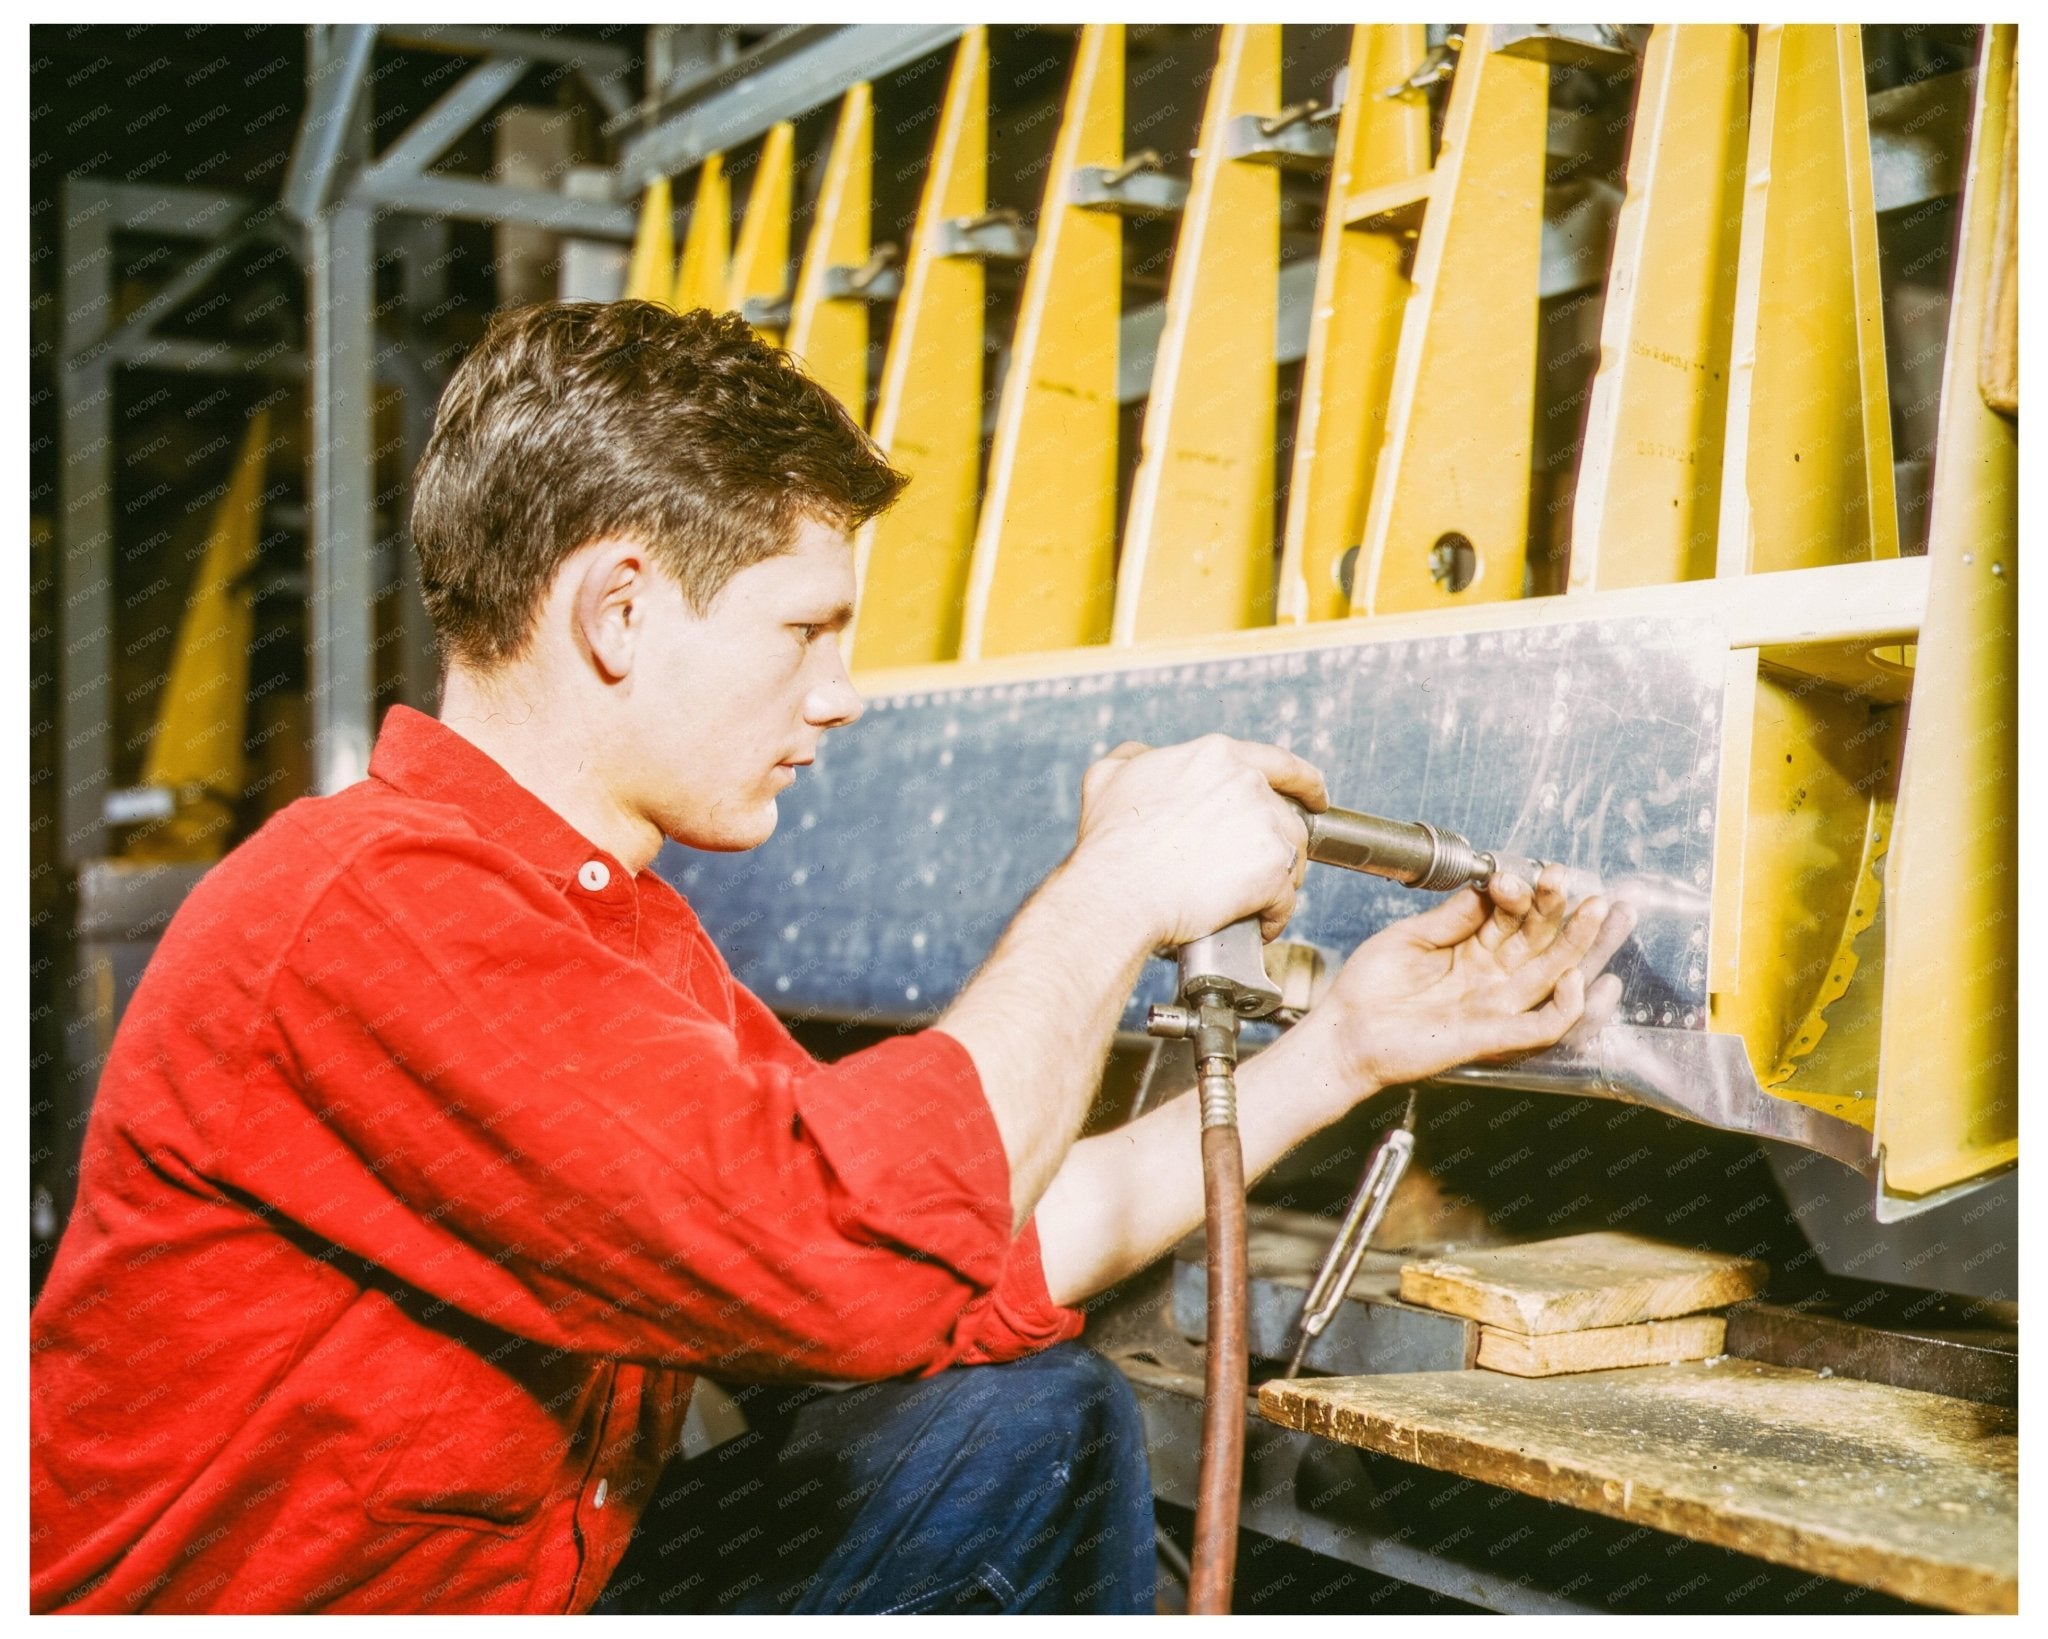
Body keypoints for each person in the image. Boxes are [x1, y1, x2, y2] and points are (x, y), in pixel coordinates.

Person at [29, 302, 1632, 1615]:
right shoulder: (374, 911)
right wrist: (1110, 894)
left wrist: (1341, 1047)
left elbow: (957, 1248)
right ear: (620, 612)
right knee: (1005, 1422)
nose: (842, 693)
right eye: (806, 629)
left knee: (1019, 1418)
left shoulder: (603, 930)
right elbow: (845, 1254)